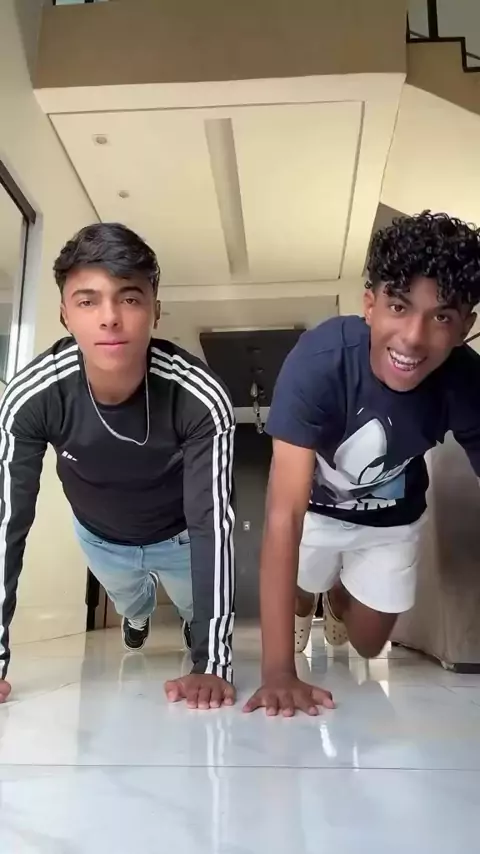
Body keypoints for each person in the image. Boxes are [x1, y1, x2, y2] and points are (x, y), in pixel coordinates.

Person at [244, 210, 480, 717]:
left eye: (441, 317)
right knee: (302, 584)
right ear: (370, 305)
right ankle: (313, 594)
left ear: (466, 326)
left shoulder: (466, 382)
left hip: (391, 521)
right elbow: (283, 514)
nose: (413, 336)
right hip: (314, 512)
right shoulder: (318, 363)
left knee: (369, 645)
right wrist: (279, 673)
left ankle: (337, 593)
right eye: (399, 306)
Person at [0, 223, 236, 710]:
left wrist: (212, 664)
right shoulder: (33, 397)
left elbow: (214, 525)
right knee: (132, 601)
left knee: (193, 607)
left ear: (155, 309)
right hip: (101, 538)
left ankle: (193, 626)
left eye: (129, 298)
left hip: (179, 537)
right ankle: (137, 616)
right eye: (87, 301)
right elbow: (6, 524)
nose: (109, 318)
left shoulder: (199, 396)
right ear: (65, 314)